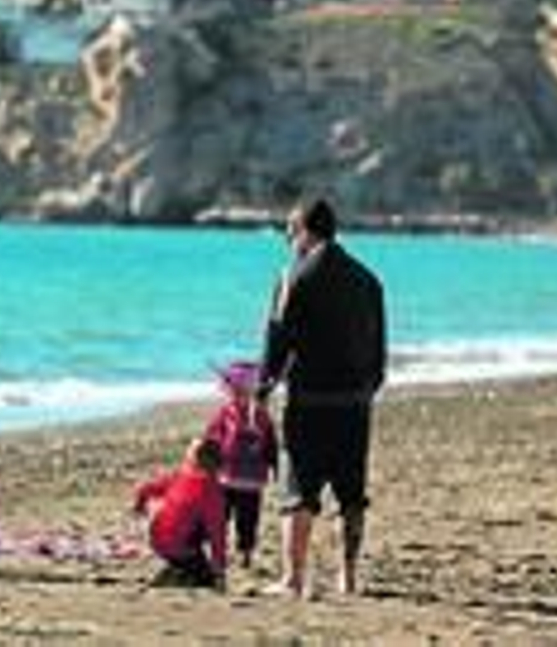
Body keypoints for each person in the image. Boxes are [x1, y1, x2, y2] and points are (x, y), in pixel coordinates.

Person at [258, 198, 386, 597]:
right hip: (355, 402)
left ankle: (294, 579)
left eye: (289, 233)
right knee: (352, 493)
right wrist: (366, 389)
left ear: (302, 230)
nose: (288, 242)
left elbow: (277, 339)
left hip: (309, 400)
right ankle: (349, 577)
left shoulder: (292, 277)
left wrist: (262, 388)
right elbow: (379, 349)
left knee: (299, 492)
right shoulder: (368, 279)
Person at [203, 360, 278, 570]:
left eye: (242, 391)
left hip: (252, 480)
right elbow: (212, 437)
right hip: (225, 476)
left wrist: (274, 466)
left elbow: (271, 442)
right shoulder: (225, 413)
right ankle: (218, 551)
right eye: (233, 390)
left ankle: (245, 553)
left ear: (252, 391)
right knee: (220, 517)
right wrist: (206, 464)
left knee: (248, 520)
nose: (238, 395)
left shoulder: (261, 415)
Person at [131, 438, 228, 590]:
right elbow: (217, 534)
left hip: (156, 539)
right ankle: (176, 576)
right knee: (205, 579)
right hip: (179, 546)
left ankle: (177, 570)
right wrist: (220, 570)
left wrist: (139, 506)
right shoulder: (213, 491)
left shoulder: (181, 475)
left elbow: (145, 488)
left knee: (191, 535)